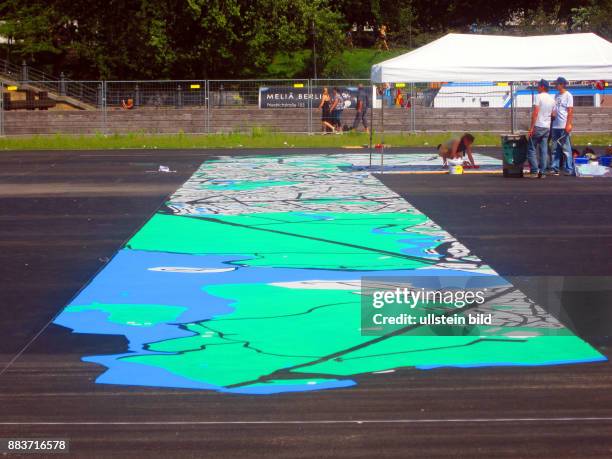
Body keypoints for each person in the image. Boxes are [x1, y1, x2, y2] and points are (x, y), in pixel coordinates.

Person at [526, 79, 555, 178]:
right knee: (544, 150)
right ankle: (542, 171)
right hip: (546, 127)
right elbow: (553, 114)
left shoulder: (538, 97)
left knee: (531, 148)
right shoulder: (552, 99)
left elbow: (535, 112)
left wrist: (531, 128)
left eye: (538, 86)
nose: (537, 87)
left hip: (538, 125)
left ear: (542, 86)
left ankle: (534, 171)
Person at [550, 77, 575, 176]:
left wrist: (568, 124)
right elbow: (555, 109)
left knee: (566, 149)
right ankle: (555, 168)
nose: (555, 85)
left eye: (557, 84)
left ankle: (569, 168)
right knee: (555, 148)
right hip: (555, 126)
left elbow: (570, 111)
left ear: (562, 84)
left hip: (564, 125)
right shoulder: (556, 95)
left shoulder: (568, 95)